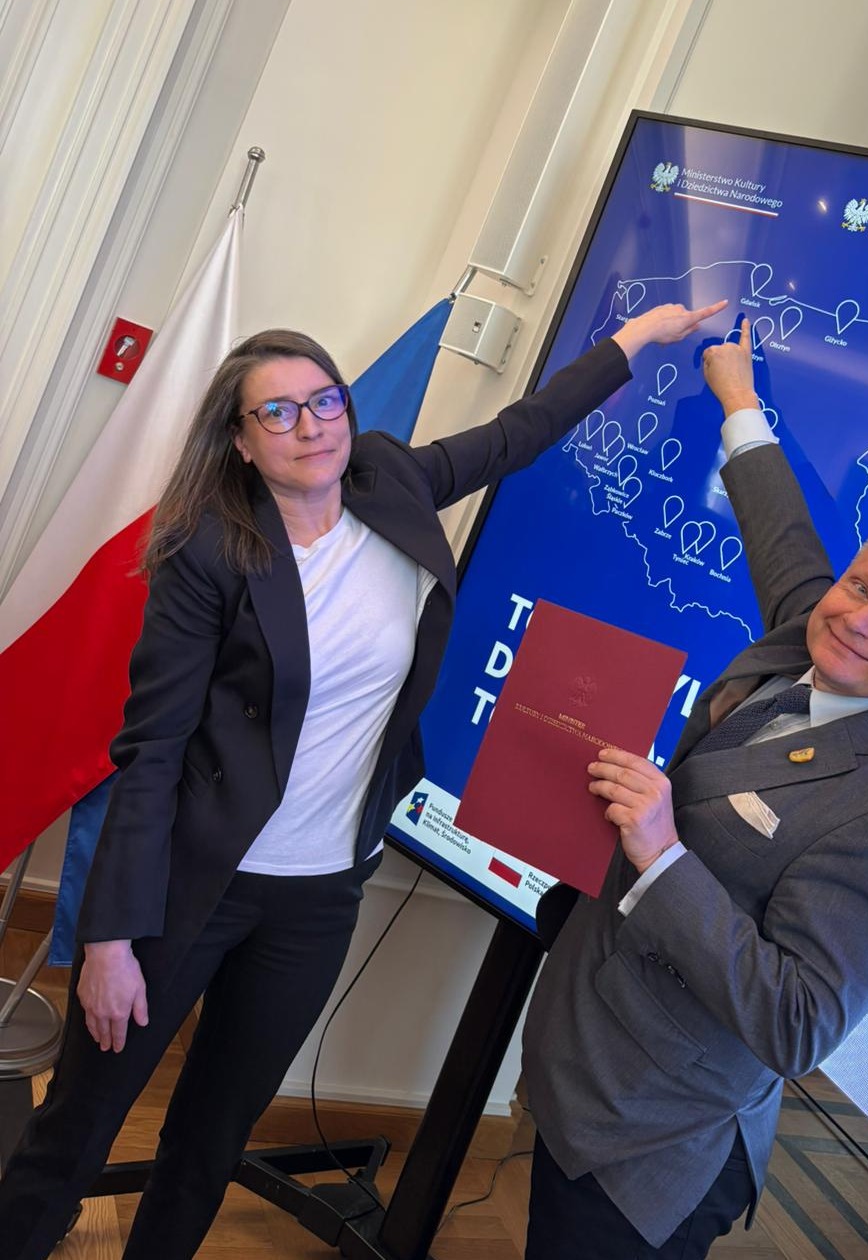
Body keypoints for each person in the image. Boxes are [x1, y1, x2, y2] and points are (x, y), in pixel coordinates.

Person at [0, 298, 722, 1260]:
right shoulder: (209, 550)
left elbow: (521, 432)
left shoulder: (389, 478)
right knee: (79, 1125)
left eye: (324, 400)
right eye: (278, 412)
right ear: (241, 442)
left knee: (210, 1139)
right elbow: (153, 747)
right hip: (188, 887)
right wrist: (109, 938)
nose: (311, 426)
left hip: (318, 896)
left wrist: (636, 338)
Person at [522, 317, 868, 1260]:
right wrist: (738, 394)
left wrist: (661, 854)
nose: (856, 618)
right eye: (858, 586)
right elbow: (779, 527)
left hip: (650, 1136)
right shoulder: (811, 635)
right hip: (587, 1056)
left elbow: (798, 1022)